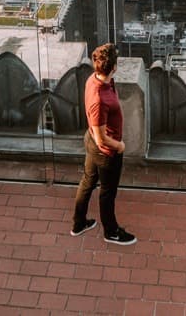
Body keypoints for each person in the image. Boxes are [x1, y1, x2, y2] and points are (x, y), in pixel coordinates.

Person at [71, 43, 137, 245]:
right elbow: (102, 139)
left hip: (91, 141)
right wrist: (119, 146)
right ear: (114, 67)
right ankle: (111, 231)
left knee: (87, 182)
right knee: (107, 192)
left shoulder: (94, 79)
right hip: (105, 151)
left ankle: (79, 223)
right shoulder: (100, 99)